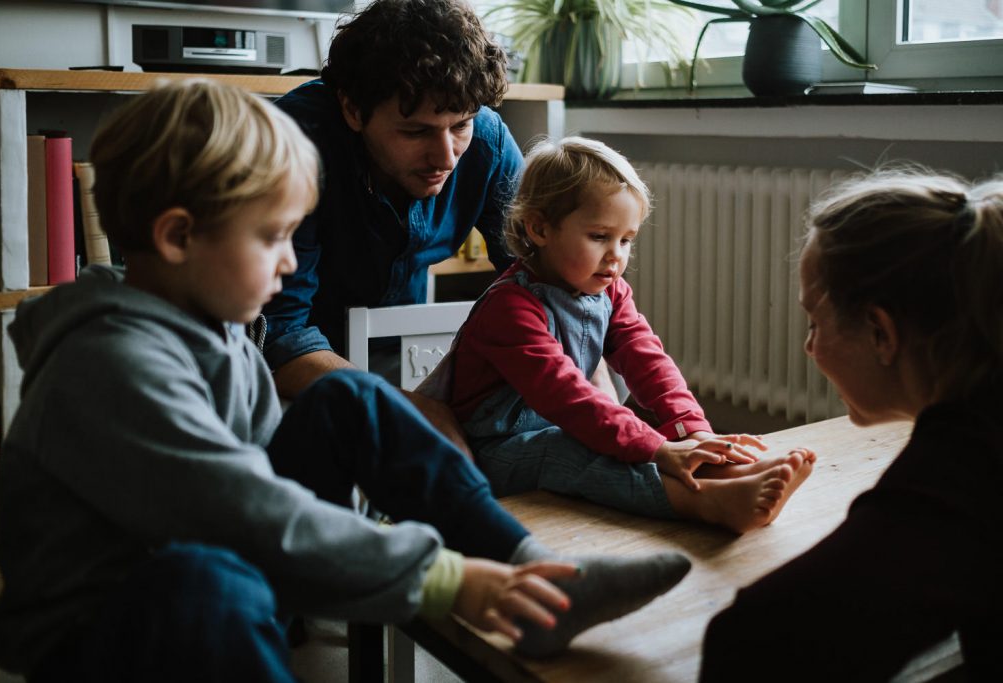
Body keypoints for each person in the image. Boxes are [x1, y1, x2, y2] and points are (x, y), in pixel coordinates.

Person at [0, 81, 694, 682]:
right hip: (105, 630)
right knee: (205, 581)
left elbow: (267, 468)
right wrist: (446, 582)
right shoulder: (111, 364)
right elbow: (245, 511)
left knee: (350, 396)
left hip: (224, 560)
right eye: (272, 237)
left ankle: (535, 577)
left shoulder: (212, 321)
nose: (292, 265)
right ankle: (496, 586)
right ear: (178, 238)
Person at [700, 169, 1003, 681]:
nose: (809, 347)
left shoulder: (964, 466)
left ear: (880, 333)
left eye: (815, 323)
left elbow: (754, 641)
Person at [435, 137, 815, 534]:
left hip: (561, 427)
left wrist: (694, 433)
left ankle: (726, 471)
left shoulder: (610, 292)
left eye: (626, 239)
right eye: (599, 236)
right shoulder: (509, 309)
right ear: (540, 228)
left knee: (622, 434)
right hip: (491, 452)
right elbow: (568, 397)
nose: (616, 254)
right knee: (585, 448)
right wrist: (659, 449)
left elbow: (648, 360)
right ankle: (705, 503)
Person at [260, 0, 527, 448]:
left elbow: (545, 280)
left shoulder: (488, 140)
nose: (446, 158)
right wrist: (410, 408)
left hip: (402, 348)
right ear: (352, 109)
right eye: (415, 132)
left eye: (459, 125)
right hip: (296, 370)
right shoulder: (295, 141)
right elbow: (280, 337)